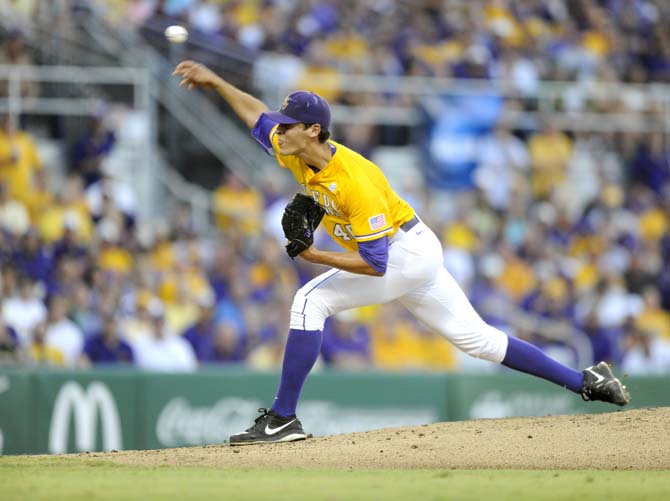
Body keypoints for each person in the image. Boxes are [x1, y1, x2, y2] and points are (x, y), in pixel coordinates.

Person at [172, 60, 631, 446]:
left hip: (402, 253)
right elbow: (256, 115)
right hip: (415, 248)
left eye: (288, 124)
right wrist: (216, 82)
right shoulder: (294, 146)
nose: (279, 129)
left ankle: (282, 419)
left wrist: (316, 257)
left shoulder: (355, 180)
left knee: (311, 300)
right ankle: (587, 381)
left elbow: (377, 265)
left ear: (314, 130)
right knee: (480, 341)